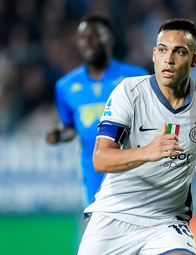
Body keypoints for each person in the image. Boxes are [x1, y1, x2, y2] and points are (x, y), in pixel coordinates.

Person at [77, 18, 196, 255]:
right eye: (163, 50)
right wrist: (147, 152)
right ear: (154, 54)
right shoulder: (129, 92)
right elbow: (100, 159)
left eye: (180, 52)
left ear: (195, 60)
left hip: (167, 220)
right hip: (114, 215)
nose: (169, 59)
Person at [46, 15, 148, 205]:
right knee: (99, 232)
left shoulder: (137, 78)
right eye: (82, 37)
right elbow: (70, 127)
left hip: (132, 173)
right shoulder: (66, 86)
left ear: (110, 39)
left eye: (94, 35)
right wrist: (59, 134)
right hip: (93, 175)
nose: (87, 42)